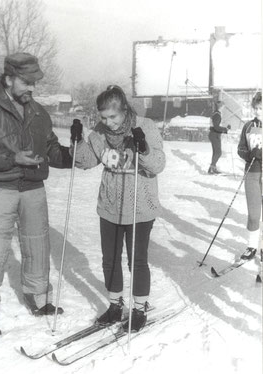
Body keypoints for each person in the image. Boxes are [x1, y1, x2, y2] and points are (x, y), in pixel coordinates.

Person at [0, 52, 73, 337]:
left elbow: (51, 149)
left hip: (33, 188)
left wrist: (76, 154)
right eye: (27, 82)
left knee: (37, 245)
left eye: (34, 83)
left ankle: (39, 299)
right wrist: (14, 158)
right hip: (1, 187)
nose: (32, 88)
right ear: (9, 78)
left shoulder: (39, 113)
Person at [70, 85, 165, 332]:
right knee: (110, 260)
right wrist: (77, 141)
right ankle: (115, 305)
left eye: (113, 116)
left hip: (139, 206)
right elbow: (83, 161)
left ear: (124, 110)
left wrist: (142, 148)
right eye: (103, 117)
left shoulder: (145, 126)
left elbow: (157, 165)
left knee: (138, 260)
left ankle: (140, 307)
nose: (108, 122)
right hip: (110, 205)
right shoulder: (99, 134)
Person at [237, 91, 262, 260]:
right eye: (256, 108)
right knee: (253, 214)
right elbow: (240, 148)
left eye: (261, 108)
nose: (258, 112)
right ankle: (252, 247)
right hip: (252, 174)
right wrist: (249, 154)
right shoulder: (247, 126)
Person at [208, 100, 230, 174]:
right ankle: (212, 168)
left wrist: (224, 129)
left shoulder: (215, 113)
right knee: (218, 152)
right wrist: (225, 129)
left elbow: (215, 126)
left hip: (213, 134)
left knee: (215, 152)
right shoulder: (217, 115)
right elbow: (216, 127)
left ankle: (212, 168)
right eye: (223, 106)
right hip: (214, 135)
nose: (224, 108)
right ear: (221, 107)